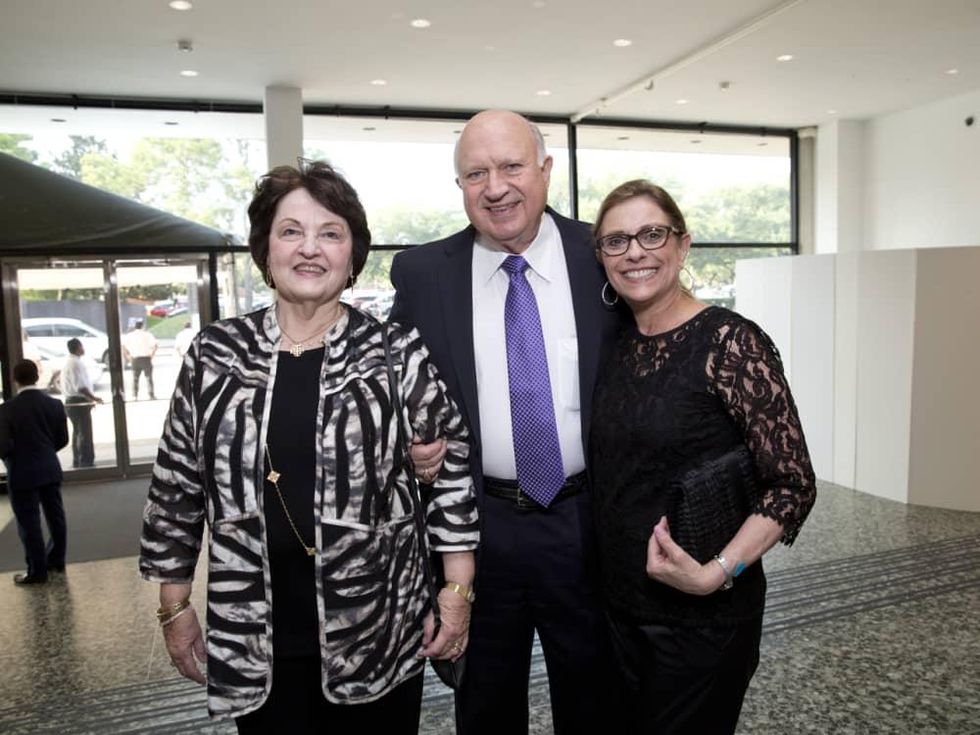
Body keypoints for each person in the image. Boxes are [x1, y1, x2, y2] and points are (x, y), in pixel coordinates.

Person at [139, 160, 479, 732]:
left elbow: (453, 470)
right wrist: (174, 606)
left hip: (378, 631)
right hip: (253, 631)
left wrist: (457, 589)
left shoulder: (394, 352)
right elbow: (176, 488)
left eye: (330, 233)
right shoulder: (216, 354)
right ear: (265, 248)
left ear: (352, 255)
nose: (310, 249)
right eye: (291, 231)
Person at [390, 109, 621, 734]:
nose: (495, 188)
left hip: (585, 521)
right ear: (459, 185)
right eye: (476, 174)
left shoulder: (601, 255)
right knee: (485, 704)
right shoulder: (423, 273)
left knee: (596, 697)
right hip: (478, 530)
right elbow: (391, 385)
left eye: (512, 167)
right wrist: (407, 445)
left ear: (545, 170)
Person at [588, 179, 818, 733]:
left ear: (683, 244)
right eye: (617, 241)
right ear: (602, 257)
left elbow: (792, 484)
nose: (635, 252)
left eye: (652, 234)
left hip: (701, 619)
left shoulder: (731, 343)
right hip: (617, 612)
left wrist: (718, 572)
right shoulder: (616, 344)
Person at [0, 359, 69, 584]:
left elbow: (3, 445)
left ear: (14, 379)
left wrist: (13, 458)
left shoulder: (6, 409)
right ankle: (56, 560)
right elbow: (62, 439)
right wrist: (45, 452)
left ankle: (37, 570)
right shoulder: (54, 404)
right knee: (55, 517)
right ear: (37, 377)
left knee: (29, 523)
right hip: (49, 467)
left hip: (21, 472)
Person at [60, 338, 103, 468]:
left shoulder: (71, 362)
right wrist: (94, 398)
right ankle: (85, 462)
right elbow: (80, 386)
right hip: (78, 401)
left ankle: (78, 460)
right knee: (84, 433)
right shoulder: (75, 363)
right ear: (78, 347)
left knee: (78, 432)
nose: (83, 348)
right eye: (82, 346)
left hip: (73, 401)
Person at [123, 319, 157, 399]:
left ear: (135, 327)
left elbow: (123, 346)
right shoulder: (147, 335)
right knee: (148, 377)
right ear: (143, 326)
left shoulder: (130, 335)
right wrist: (152, 355)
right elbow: (155, 345)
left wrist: (127, 356)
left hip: (135, 358)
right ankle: (151, 395)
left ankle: (135, 395)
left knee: (135, 378)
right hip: (146, 358)